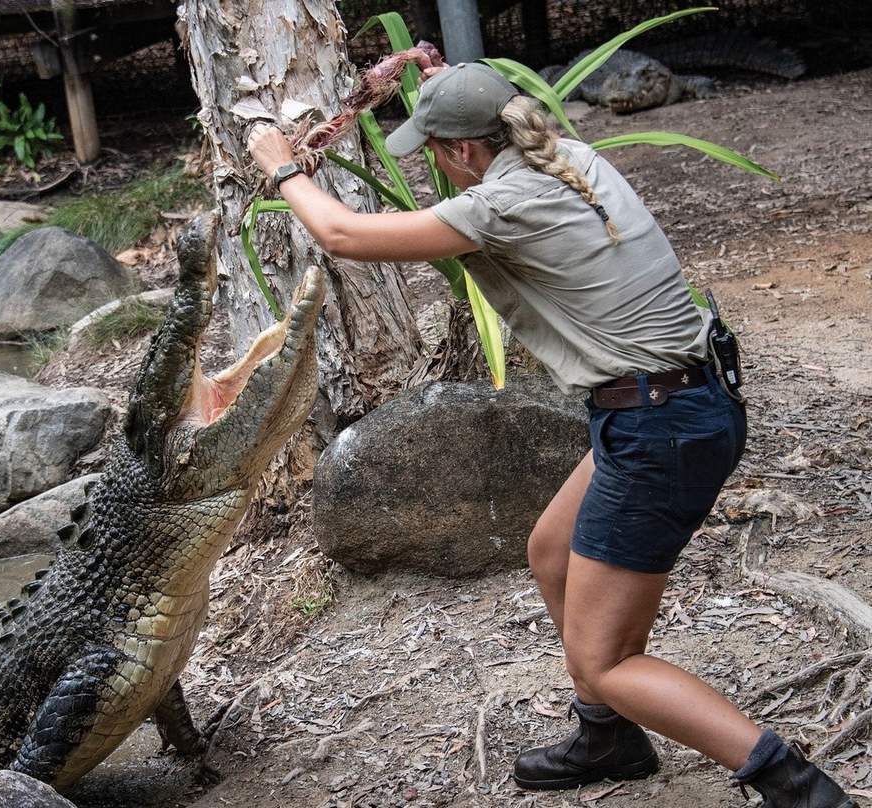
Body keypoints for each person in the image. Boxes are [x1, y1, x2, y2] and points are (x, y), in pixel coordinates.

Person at [247, 62, 856, 807]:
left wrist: (281, 168)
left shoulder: (503, 201)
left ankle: (798, 788)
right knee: (551, 549)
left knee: (608, 660)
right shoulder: (570, 157)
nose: (437, 164)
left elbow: (341, 233)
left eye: (436, 149)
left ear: (464, 151)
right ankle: (606, 736)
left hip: (657, 426)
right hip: (678, 405)